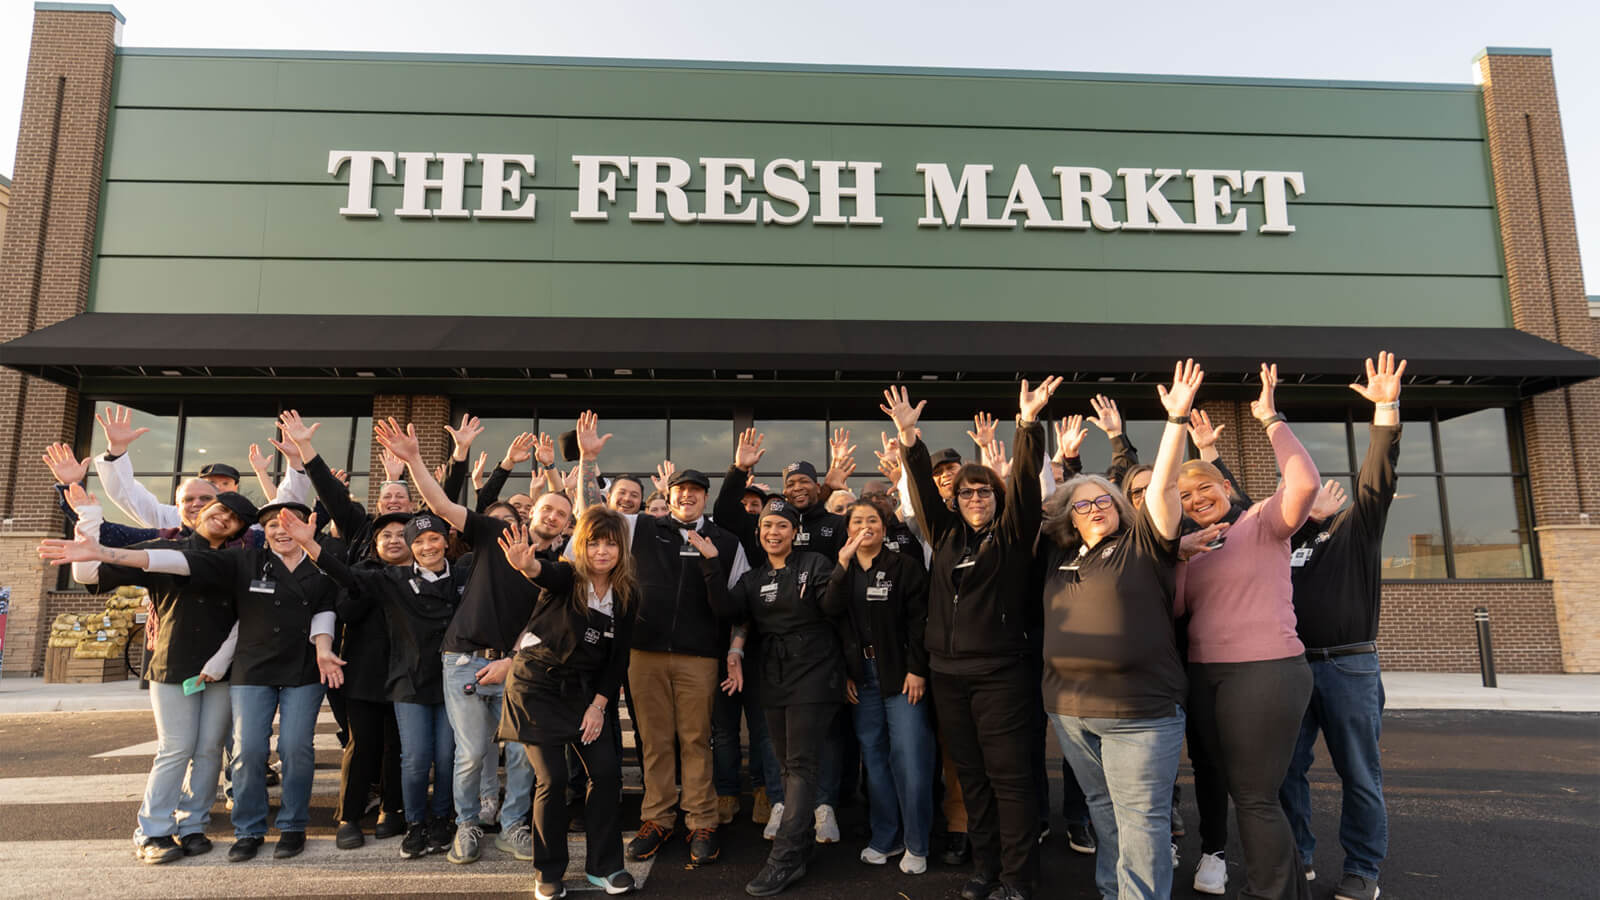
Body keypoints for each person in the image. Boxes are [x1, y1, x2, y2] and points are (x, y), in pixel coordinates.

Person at [42, 502, 348, 863]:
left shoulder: (321, 567)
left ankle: (288, 826)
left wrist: (323, 648)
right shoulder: (244, 562)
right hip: (249, 670)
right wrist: (104, 552)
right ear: (260, 533)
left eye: (290, 524)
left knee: (289, 749)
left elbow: (325, 609)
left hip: (300, 671)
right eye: (271, 525)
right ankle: (246, 829)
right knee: (245, 751)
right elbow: (177, 563)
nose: (281, 531)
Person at [885, 376, 1061, 900]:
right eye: (967, 491)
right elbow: (920, 494)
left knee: (1010, 779)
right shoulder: (945, 537)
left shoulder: (1011, 535)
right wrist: (908, 441)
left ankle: (1019, 879)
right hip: (948, 674)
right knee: (973, 776)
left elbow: (1026, 485)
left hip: (1002, 673)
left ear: (997, 496)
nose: (976, 497)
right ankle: (985, 869)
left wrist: (1027, 425)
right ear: (955, 499)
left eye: (985, 490)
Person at [371, 417, 572, 867]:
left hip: (517, 668)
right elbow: (441, 503)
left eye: (562, 514)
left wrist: (512, 661)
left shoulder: (559, 571)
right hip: (463, 660)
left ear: (565, 526)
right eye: (548, 509)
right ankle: (467, 824)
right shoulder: (495, 534)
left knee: (523, 753)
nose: (553, 517)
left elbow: (546, 626)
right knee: (473, 754)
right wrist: (414, 460)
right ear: (533, 512)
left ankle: (515, 824)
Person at [1039, 360, 1203, 900]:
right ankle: (1115, 893)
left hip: (1140, 713)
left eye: (1103, 500)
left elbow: (1160, 493)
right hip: (1070, 710)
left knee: (1141, 821)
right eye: (1083, 504)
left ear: (1119, 508)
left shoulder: (1145, 545)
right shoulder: (1060, 555)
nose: (1094, 508)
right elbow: (1036, 499)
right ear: (1071, 517)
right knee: (1103, 812)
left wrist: (1175, 422)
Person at [573, 411, 749, 868]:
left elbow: (741, 607)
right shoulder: (642, 529)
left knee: (695, 740)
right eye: (679, 492)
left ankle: (702, 821)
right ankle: (657, 818)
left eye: (694, 492)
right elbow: (593, 513)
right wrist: (589, 462)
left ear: (705, 497)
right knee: (653, 741)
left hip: (699, 658)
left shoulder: (726, 541)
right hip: (644, 654)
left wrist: (733, 650)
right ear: (667, 497)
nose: (687, 497)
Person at [1177, 363, 1320, 900]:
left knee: (1256, 795)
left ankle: (1270, 893)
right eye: (1185, 497)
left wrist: (1271, 419)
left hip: (1265, 670)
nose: (1196, 500)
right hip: (1204, 675)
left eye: (1204, 488)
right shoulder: (1190, 550)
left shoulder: (1261, 521)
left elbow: (1303, 482)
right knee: (1228, 784)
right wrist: (1178, 554)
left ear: (1225, 487)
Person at [60, 484, 256, 863]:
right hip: (172, 666)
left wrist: (217, 665)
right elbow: (88, 573)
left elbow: (244, 619)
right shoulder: (162, 549)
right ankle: (152, 832)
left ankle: (193, 825)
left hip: (222, 671)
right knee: (176, 748)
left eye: (233, 517)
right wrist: (88, 519)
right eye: (219, 507)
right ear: (197, 511)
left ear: (236, 530)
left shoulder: (239, 563)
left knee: (209, 749)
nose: (222, 516)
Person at [1277, 353, 1405, 900]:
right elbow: (1235, 508)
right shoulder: (1285, 542)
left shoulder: (1356, 532)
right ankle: (1298, 857)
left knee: (1359, 773)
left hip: (1349, 665)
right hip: (1292, 671)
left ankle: (1363, 870)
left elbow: (1376, 481)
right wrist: (1212, 451)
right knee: (1286, 772)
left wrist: (1386, 413)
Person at [498, 511, 640, 897]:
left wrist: (598, 706)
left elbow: (618, 660)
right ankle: (548, 872)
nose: (602, 551)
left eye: (610, 543)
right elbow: (543, 573)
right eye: (594, 542)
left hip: (585, 695)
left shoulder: (626, 594)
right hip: (536, 689)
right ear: (582, 545)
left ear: (621, 548)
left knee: (607, 773)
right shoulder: (568, 578)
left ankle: (605, 868)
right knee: (553, 779)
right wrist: (527, 565)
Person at [723, 498, 845, 896]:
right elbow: (730, 611)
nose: (772, 533)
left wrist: (841, 565)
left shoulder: (815, 565)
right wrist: (709, 565)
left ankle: (786, 857)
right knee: (785, 764)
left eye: (780, 526)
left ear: (794, 532)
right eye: (766, 527)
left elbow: (832, 605)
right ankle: (802, 840)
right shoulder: (754, 577)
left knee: (800, 763)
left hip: (814, 670)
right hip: (772, 674)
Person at [827, 498, 934, 876]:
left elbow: (921, 621)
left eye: (873, 520)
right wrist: (842, 564)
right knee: (874, 762)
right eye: (857, 521)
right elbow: (829, 612)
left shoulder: (903, 567)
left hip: (901, 675)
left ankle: (917, 842)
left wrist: (917, 669)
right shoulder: (842, 570)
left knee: (911, 760)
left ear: (885, 529)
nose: (865, 525)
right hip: (862, 678)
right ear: (848, 530)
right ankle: (886, 837)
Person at [91, 405, 311, 530]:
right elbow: (130, 498)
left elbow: (285, 509)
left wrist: (294, 460)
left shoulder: (249, 526)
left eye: (206, 498)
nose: (197, 504)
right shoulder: (171, 522)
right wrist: (117, 451)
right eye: (188, 499)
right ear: (178, 503)